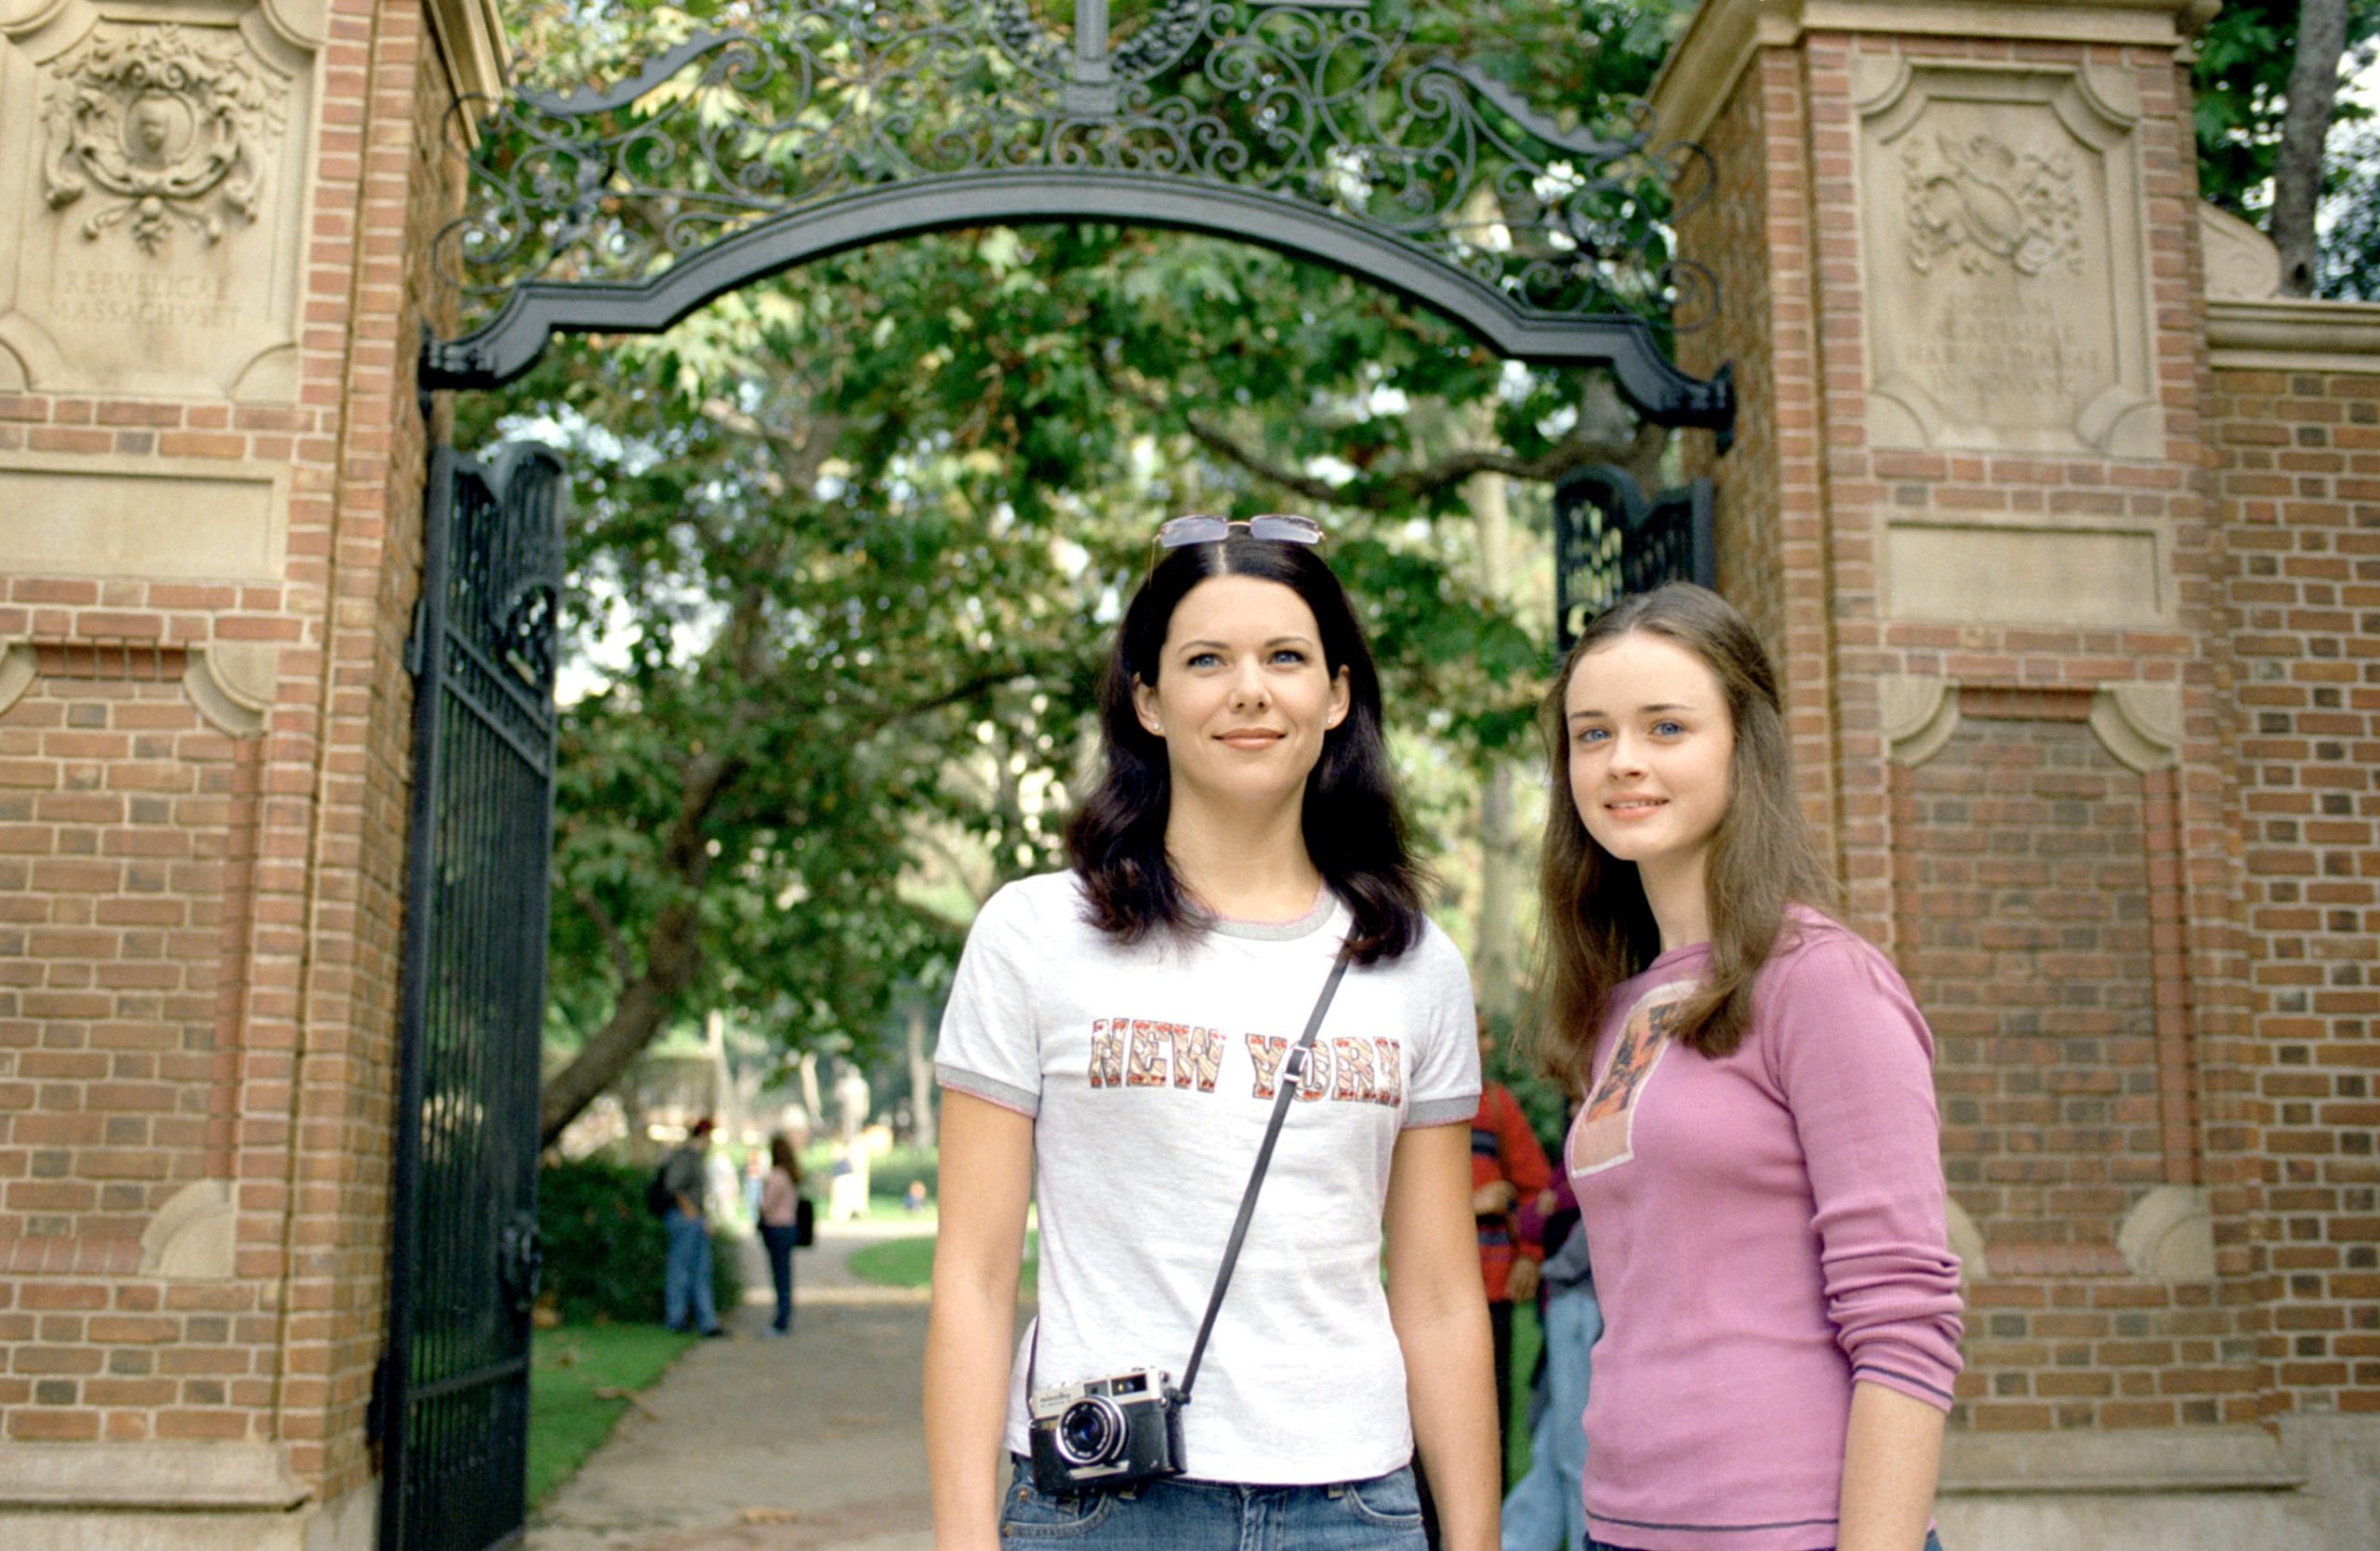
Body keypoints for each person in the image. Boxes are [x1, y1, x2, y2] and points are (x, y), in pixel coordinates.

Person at [924, 515, 1500, 1551]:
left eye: (1285, 657)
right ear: (1147, 698)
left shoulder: (1414, 963)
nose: (1249, 690)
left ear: (1334, 695)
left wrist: (1475, 1540)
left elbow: (1441, 1295)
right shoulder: (1034, 935)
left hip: (1355, 1509)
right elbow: (971, 1279)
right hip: (1100, 1508)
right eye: (1205, 660)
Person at [1534, 583, 1963, 1551]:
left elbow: (1906, 1318)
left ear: (1742, 745)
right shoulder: (1617, 1002)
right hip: (1622, 1525)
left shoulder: (1821, 982)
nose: (1622, 761)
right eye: (1591, 734)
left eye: (1667, 727)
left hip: (1793, 1530)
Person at [1469, 1015, 1553, 1470]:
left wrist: (1531, 1256)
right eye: (1477, 1033)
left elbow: (1538, 1189)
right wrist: (1471, 1204)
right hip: (1430, 1288)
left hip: (1493, 1291)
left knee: (1490, 1418)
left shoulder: (1498, 1105)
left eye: (1486, 1033)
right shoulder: (1409, 1102)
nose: (1485, 1045)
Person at [1499, 1171, 1597, 1551]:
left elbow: (1594, 1214)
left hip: (1583, 1300)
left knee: (1577, 1457)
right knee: (1550, 1449)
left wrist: (1558, 1268)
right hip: (1565, 1305)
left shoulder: (1612, 1122)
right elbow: (1529, 1221)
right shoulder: (1576, 1145)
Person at [659, 1118, 726, 1337]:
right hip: (684, 1218)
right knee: (680, 1270)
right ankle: (676, 1318)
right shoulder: (685, 1157)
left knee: (701, 1271)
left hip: (696, 1219)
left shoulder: (698, 1158)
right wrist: (688, 1210)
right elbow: (672, 1185)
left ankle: (707, 1321)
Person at [757, 1133, 805, 1336]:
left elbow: (767, 1205)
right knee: (784, 1273)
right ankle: (783, 1315)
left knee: (780, 1275)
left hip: (777, 1228)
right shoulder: (790, 1175)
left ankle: (781, 1319)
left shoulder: (777, 1176)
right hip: (788, 1227)